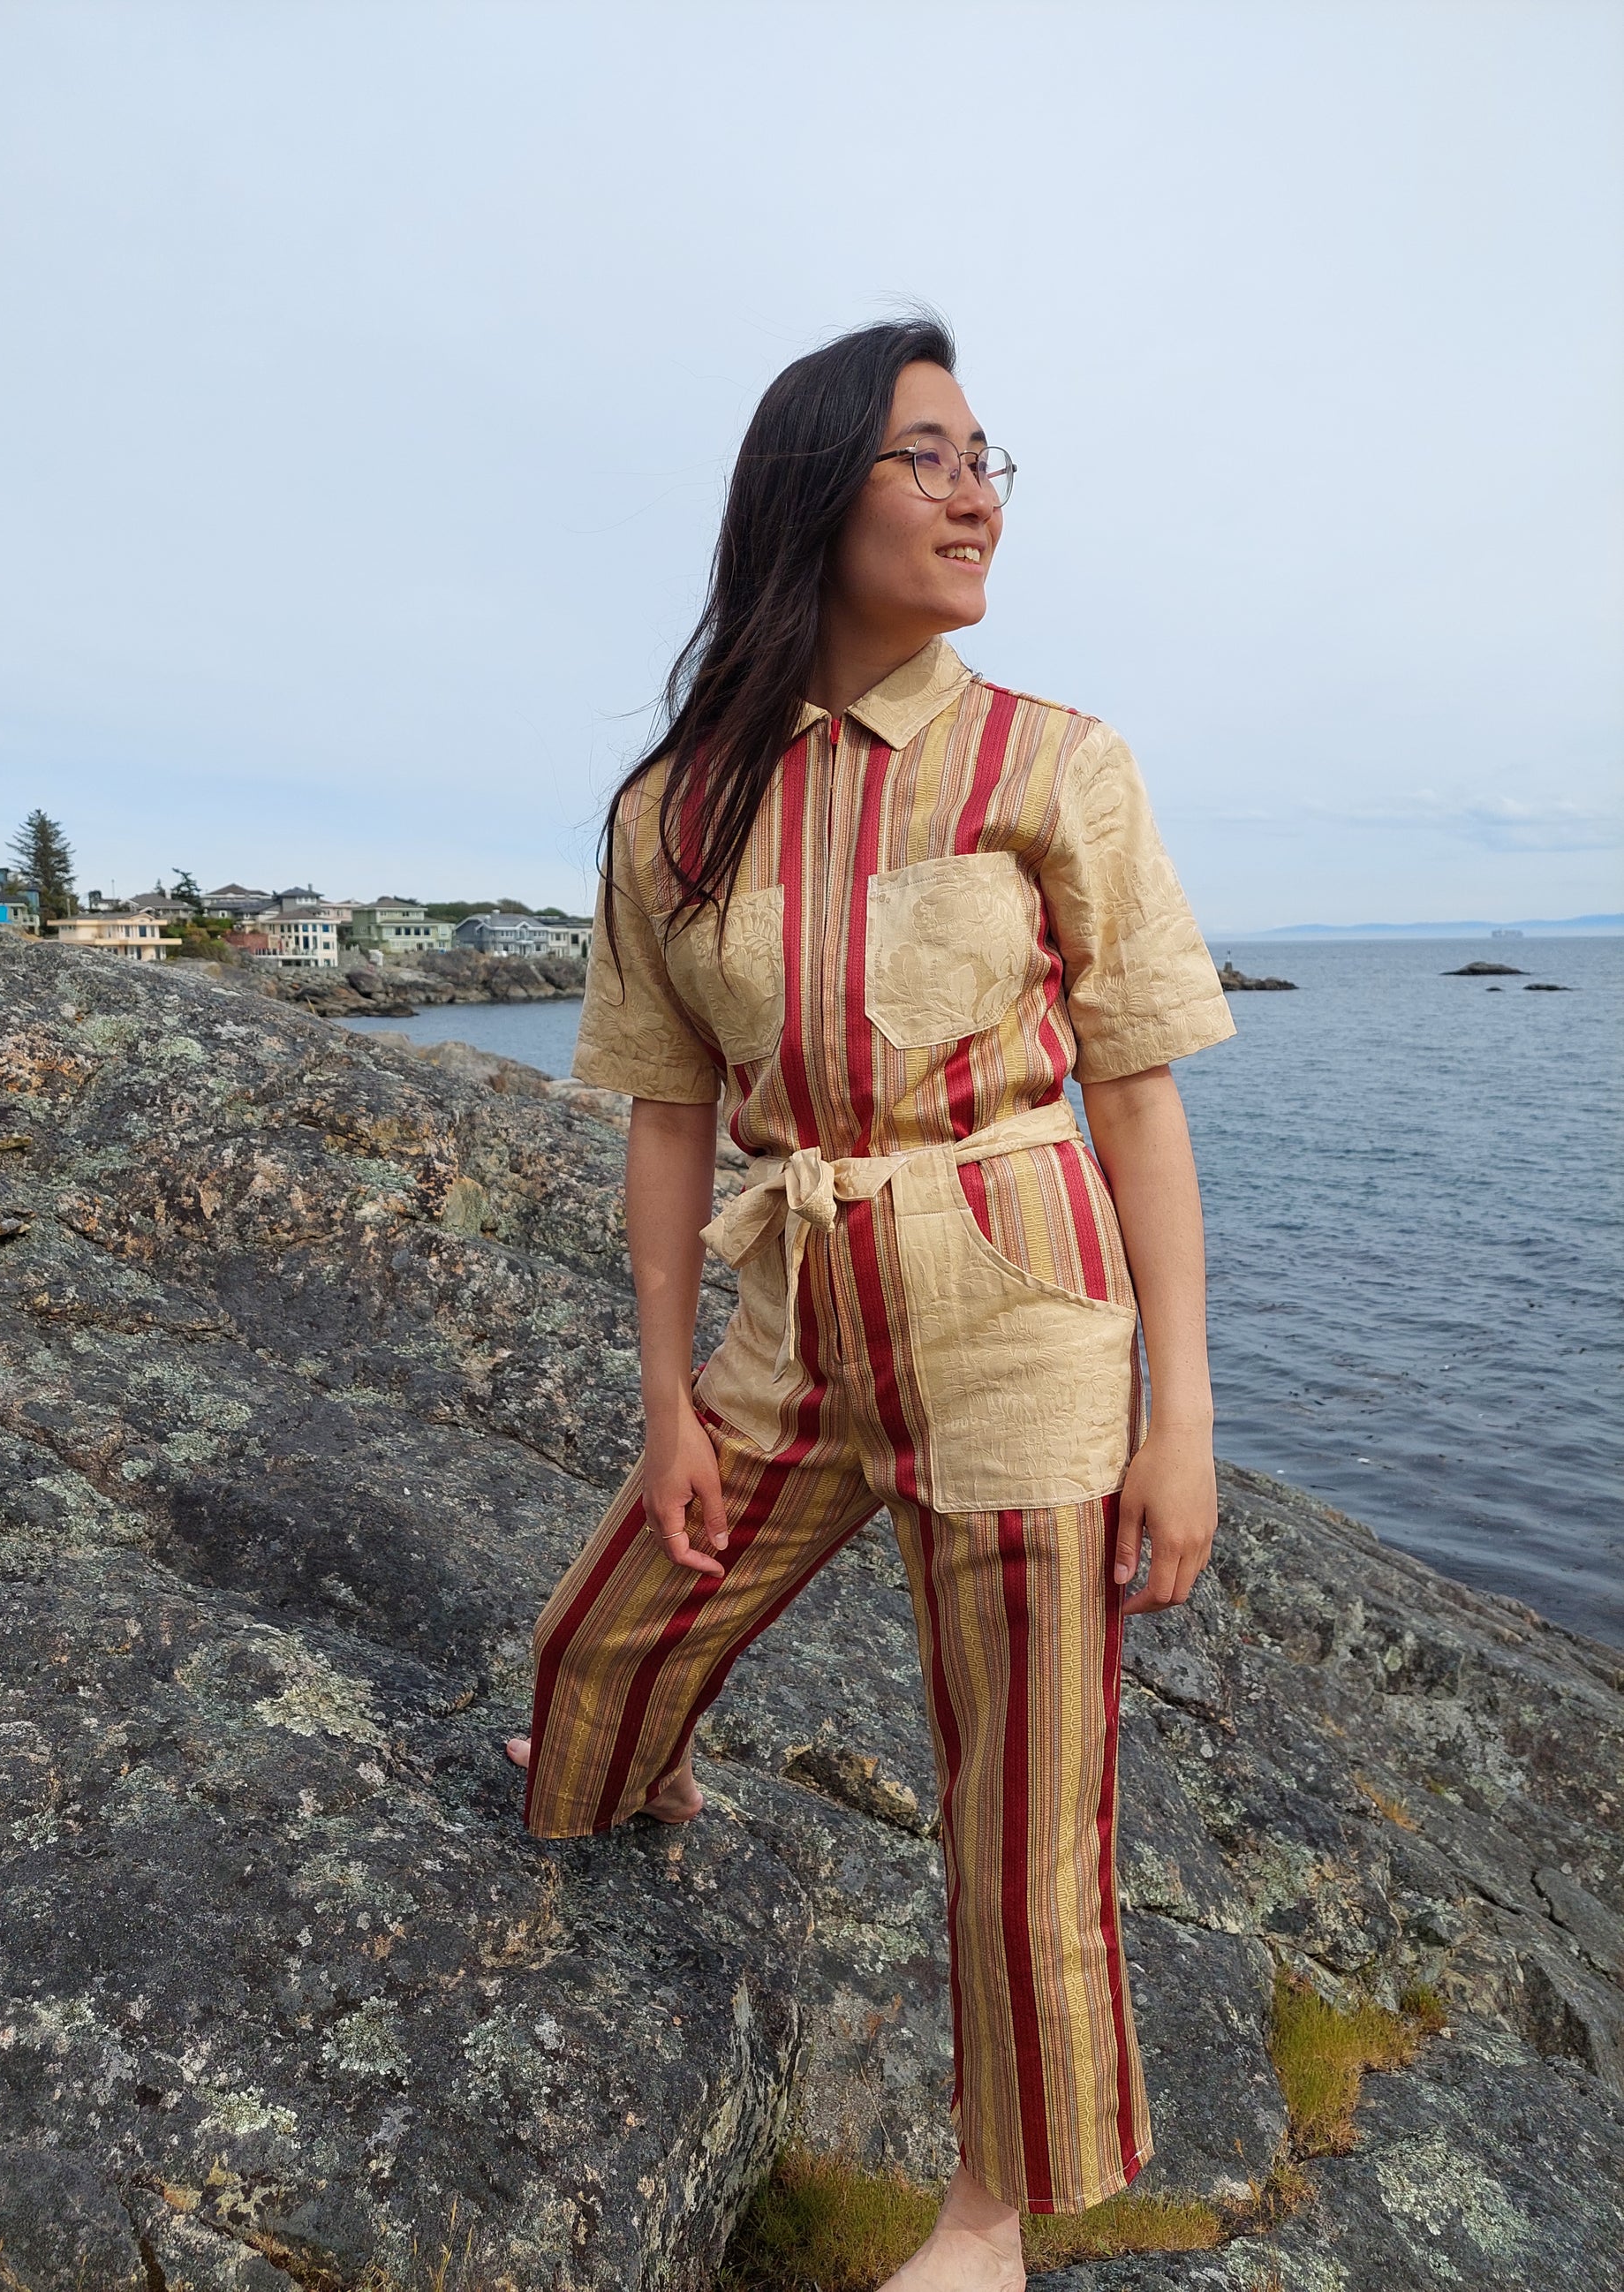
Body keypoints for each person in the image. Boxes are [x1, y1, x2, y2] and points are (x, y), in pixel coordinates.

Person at [505, 314, 1235, 2292]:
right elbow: (669, 1119)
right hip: (796, 1312)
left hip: (1021, 1309)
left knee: (1022, 1801)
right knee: (582, 1685)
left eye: (989, 452)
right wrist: (664, 1393)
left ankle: (986, 2216)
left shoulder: (1052, 761)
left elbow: (1138, 1090)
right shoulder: (675, 808)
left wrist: (1180, 1414)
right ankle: (653, 1758)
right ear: (815, 489)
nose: (977, 486)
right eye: (928, 453)